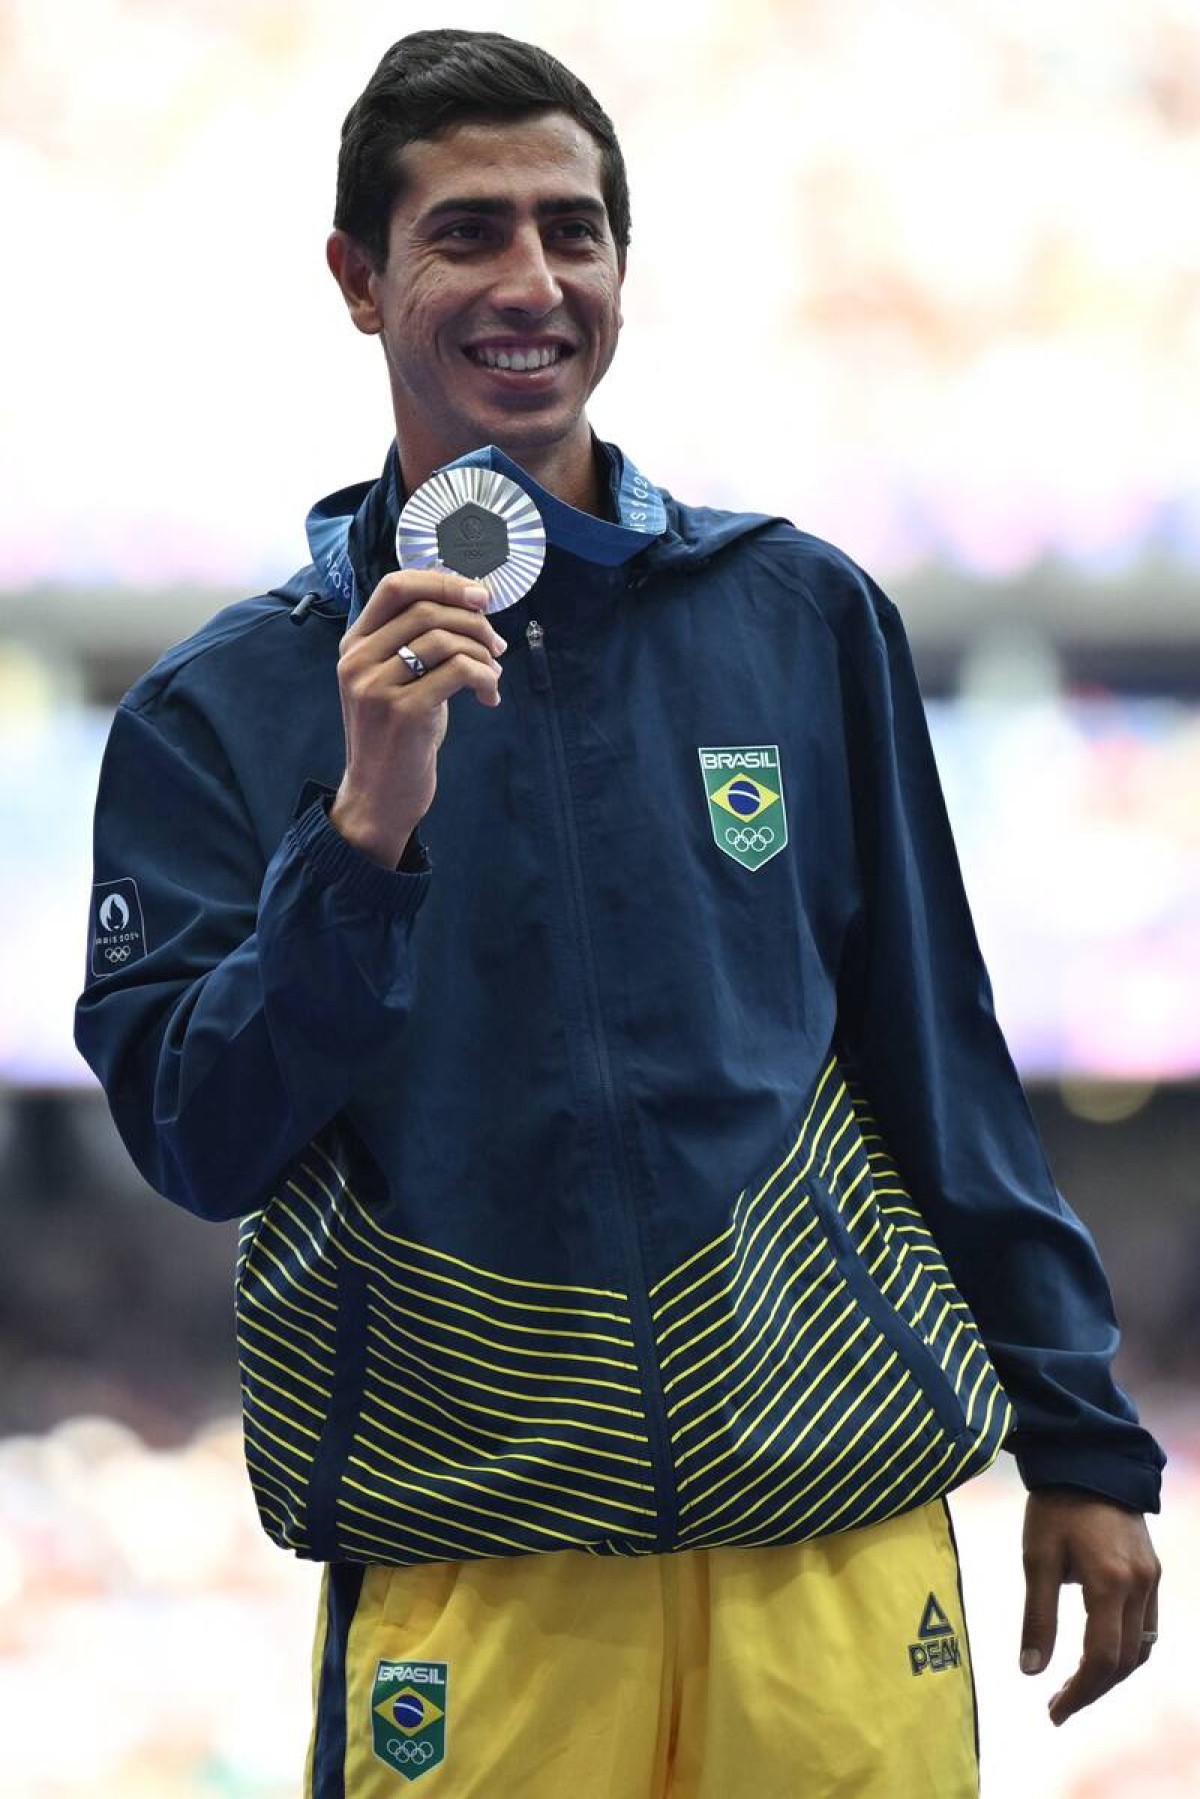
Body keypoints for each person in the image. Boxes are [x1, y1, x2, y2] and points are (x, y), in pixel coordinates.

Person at [75, 27, 1164, 1798]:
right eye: (469, 234)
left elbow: (938, 1058)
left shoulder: (798, 615)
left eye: (572, 232)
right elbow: (199, 1140)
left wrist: (1085, 1440)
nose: (533, 282)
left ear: (621, 273)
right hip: (475, 1563)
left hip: (836, 1530)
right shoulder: (226, 707)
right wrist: (361, 833)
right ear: (359, 280)